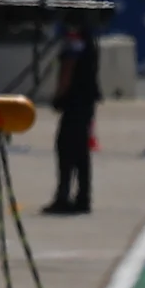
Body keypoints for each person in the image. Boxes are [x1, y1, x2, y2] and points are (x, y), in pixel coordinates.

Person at [47, 25, 101, 213]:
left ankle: (64, 196)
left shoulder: (74, 41)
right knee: (81, 151)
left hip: (74, 102)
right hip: (86, 102)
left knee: (66, 148)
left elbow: (67, 69)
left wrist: (58, 95)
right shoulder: (88, 39)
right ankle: (83, 197)